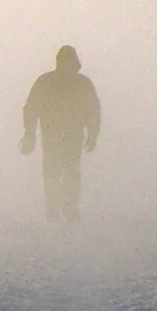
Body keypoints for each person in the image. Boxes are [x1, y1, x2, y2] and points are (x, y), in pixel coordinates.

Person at [19, 46, 100, 222]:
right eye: (64, 62)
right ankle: (53, 209)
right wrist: (29, 133)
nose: (66, 66)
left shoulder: (80, 84)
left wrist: (93, 134)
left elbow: (93, 109)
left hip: (72, 136)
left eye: (68, 62)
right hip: (51, 136)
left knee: (70, 172)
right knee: (52, 172)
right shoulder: (47, 82)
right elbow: (31, 107)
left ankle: (68, 207)